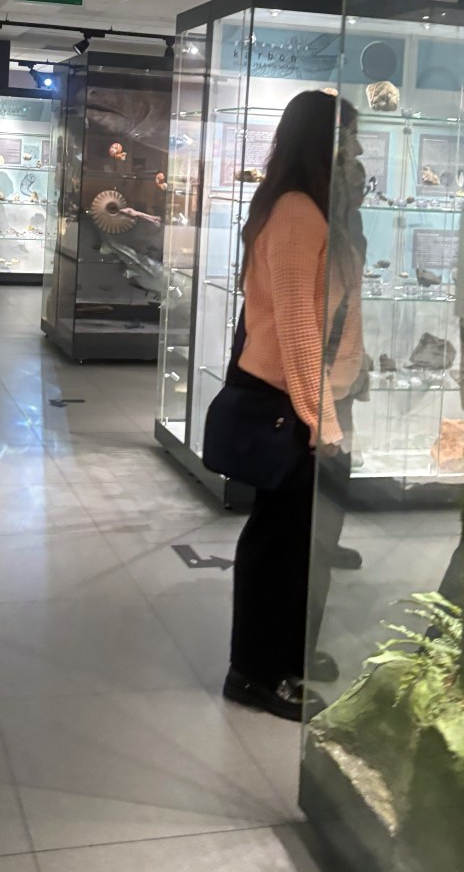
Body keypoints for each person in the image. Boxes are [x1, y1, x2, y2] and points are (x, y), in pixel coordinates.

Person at [223, 91, 361, 722]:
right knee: (278, 540)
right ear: (320, 141)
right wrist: (320, 417)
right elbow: (298, 327)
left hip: (316, 395)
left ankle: (287, 651)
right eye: (347, 137)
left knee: (304, 540)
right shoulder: (296, 212)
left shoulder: (317, 206)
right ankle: (254, 671)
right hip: (295, 400)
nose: (355, 150)